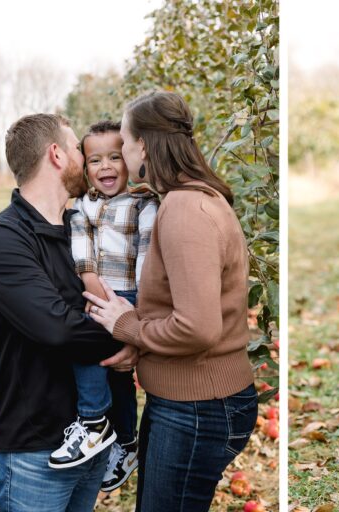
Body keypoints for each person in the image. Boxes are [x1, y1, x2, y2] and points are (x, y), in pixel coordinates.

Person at [84, 91, 258, 511]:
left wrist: (128, 328)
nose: (121, 154)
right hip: (192, 401)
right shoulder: (191, 199)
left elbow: (197, 328)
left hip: (197, 407)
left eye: (124, 142)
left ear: (143, 144)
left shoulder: (185, 210)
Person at [0, 113, 137, 512]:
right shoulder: (2, 241)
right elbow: (59, 329)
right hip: (38, 446)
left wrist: (137, 332)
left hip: (96, 441)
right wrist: (135, 333)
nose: (88, 160)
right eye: (79, 150)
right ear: (57, 155)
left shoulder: (82, 230)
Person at [55, 121, 158, 493]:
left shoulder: (144, 205)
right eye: (95, 160)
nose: (106, 167)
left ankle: (100, 424)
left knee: (113, 370)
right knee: (105, 362)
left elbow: (148, 258)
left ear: (130, 159)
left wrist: (138, 316)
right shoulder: (82, 206)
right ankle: (115, 434)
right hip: (97, 289)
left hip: (131, 295)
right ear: (85, 168)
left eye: (115, 156)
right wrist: (88, 280)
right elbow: (81, 244)